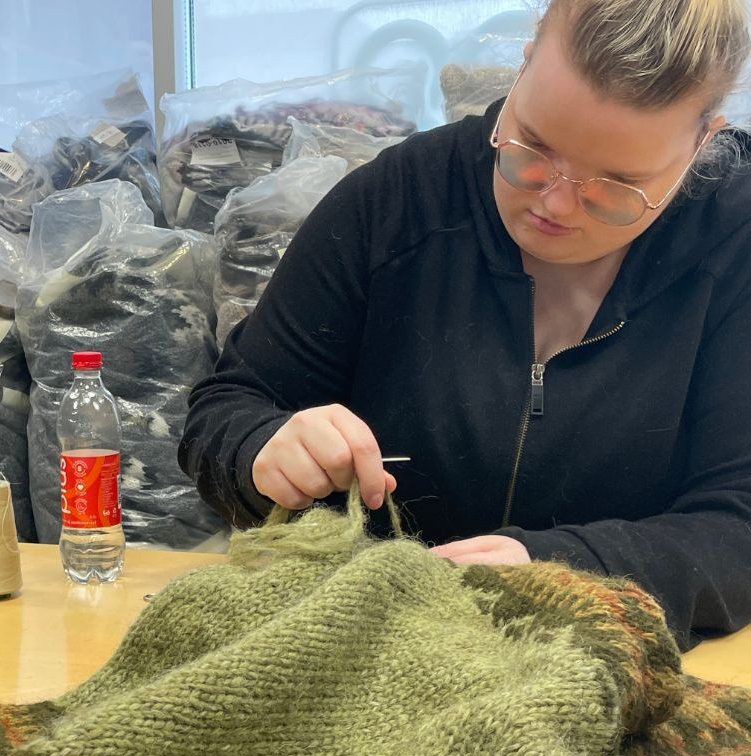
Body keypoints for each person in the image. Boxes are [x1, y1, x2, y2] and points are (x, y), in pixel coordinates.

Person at [178, 0, 751, 648]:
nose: (555, 203)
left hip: (615, 677)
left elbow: (737, 527)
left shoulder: (734, 244)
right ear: (526, 60)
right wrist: (263, 449)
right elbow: (224, 410)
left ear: (704, 139)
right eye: (534, 146)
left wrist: (560, 574)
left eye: (616, 186)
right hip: (364, 657)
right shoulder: (396, 205)